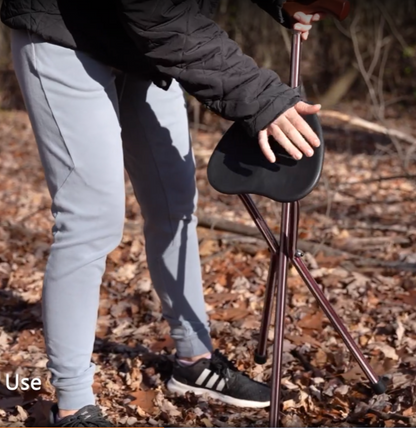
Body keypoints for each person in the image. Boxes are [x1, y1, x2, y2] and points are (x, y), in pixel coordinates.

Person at [1, 0, 323, 426]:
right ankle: (74, 403)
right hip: (66, 27)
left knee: (175, 204)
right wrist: (260, 96)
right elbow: (154, 11)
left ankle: (195, 360)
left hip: (141, 45)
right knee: (90, 219)